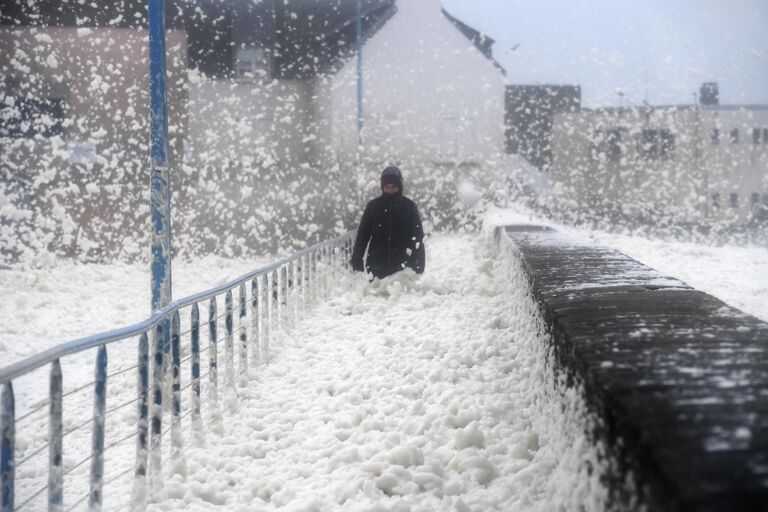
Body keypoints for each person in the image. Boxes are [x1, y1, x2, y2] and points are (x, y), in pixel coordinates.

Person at [351, 166, 425, 279]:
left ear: (399, 187)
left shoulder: (409, 207)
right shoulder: (373, 207)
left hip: (403, 268)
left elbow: (417, 236)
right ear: (382, 187)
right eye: (387, 187)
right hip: (376, 268)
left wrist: (419, 261)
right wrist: (357, 258)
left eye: (393, 187)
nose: (390, 190)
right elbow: (363, 235)